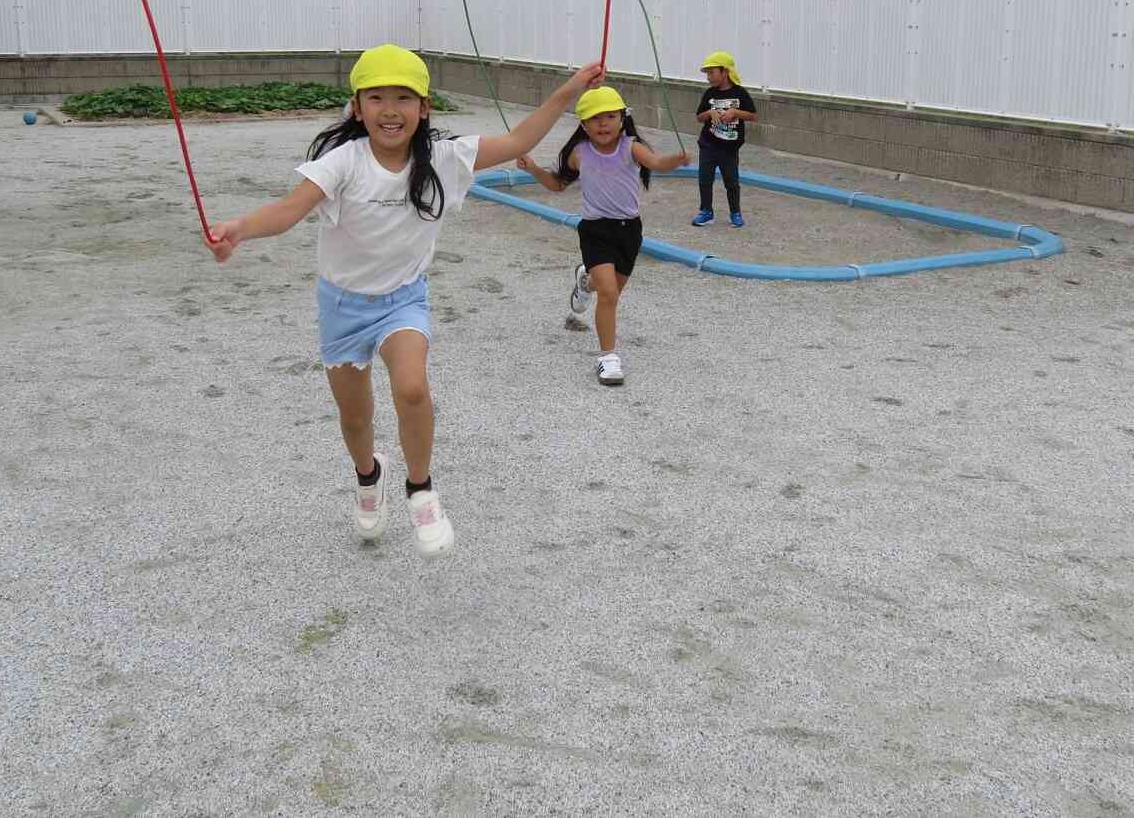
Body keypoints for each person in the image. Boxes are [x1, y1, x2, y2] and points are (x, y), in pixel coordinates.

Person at [205, 44, 604, 554]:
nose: (390, 110)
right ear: (357, 106)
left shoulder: (445, 157)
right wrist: (238, 230)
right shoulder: (342, 162)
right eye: (376, 98)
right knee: (356, 420)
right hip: (342, 307)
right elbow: (287, 212)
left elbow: (521, 139)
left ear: (424, 107)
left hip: (403, 301)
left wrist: (570, 90)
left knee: (412, 389)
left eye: (403, 98)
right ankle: (370, 477)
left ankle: (421, 489)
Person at [516, 86, 689, 386]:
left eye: (610, 116)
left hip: (629, 231)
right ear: (583, 125)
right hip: (595, 230)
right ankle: (607, 358)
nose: (603, 124)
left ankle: (585, 279)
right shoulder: (579, 153)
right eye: (595, 119)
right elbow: (557, 185)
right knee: (608, 294)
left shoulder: (631, 147)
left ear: (622, 118)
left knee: (609, 289)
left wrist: (675, 159)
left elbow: (658, 164)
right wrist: (532, 168)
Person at [692, 50, 758, 228]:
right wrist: (710, 112)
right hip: (708, 144)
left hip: (729, 148)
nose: (708, 77)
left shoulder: (740, 93)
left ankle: (735, 212)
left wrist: (735, 112)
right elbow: (699, 117)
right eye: (707, 73)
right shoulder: (709, 94)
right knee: (704, 179)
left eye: (712, 72)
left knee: (732, 182)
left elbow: (753, 115)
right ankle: (706, 211)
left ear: (725, 72)